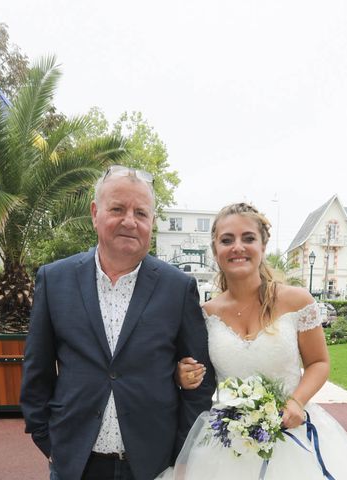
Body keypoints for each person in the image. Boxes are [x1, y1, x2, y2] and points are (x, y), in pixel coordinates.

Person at [20, 166, 216, 480]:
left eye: (141, 212)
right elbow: (36, 370)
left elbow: (200, 380)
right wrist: (47, 439)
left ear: (152, 221)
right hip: (75, 464)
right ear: (95, 213)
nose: (129, 221)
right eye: (117, 209)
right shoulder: (55, 280)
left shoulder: (177, 288)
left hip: (151, 467)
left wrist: (180, 453)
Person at [167, 202, 347, 479]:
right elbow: (199, 372)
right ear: (216, 250)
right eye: (227, 240)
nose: (238, 247)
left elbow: (318, 362)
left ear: (263, 246)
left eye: (248, 238)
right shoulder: (206, 314)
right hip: (228, 443)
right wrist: (181, 375)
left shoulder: (296, 301)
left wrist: (297, 402)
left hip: (291, 435)